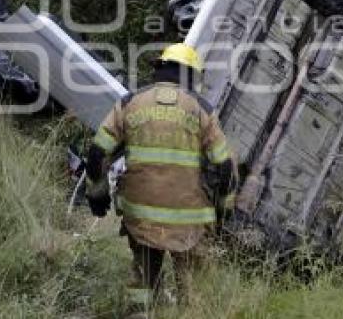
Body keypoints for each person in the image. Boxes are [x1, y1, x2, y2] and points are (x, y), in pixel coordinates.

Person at [84, 43, 237, 317]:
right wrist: (223, 212)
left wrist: (98, 195)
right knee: (193, 290)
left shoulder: (130, 103)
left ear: (161, 68)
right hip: (190, 223)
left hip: (140, 217)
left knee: (143, 284)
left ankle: (140, 313)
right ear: (190, 75)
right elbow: (225, 168)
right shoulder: (202, 110)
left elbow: (96, 154)